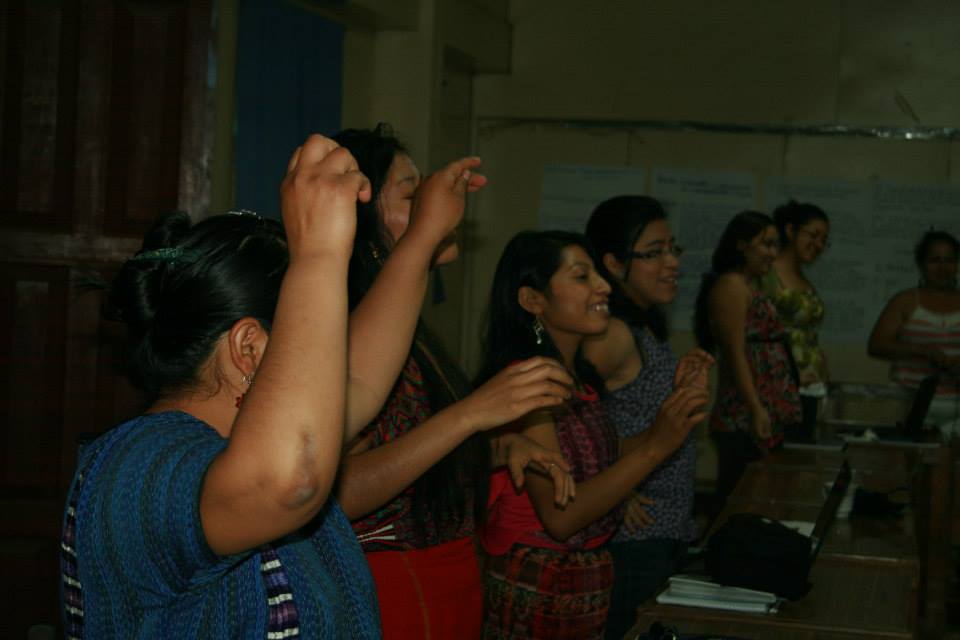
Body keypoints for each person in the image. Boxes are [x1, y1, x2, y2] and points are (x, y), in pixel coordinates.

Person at [60, 135, 382, 638]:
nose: (326, 362)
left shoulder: (246, 443)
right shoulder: (135, 464)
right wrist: (317, 256)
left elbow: (364, 377)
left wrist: (421, 241)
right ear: (250, 348)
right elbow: (287, 481)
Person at [332, 125, 577, 639]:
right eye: (412, 196)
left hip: (445, 581)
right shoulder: (349, 329)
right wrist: (471, 415)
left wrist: (495, 448)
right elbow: (338, 490)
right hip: (390, 591)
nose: (436, 207)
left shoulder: (411, 333)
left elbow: (412, 450)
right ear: (362, 221)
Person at [477, 230, 711, 640]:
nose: (604, 286)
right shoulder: (526, 384)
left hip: (581, 583)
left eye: (598, 275)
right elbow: (561, 517)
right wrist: (657, 446)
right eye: (582, 277)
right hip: (540, 586)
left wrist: (672, 417)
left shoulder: (576, 376)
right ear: (533, 300)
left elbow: (602, 459)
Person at [583, 196, 714, 640]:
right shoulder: (612, 334)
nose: (672, 262)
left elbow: (629, 412)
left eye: (673, 249)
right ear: (613, 264)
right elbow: (565, 430)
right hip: (633, 543)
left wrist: (678, 390)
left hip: (661, 535)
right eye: (654, 253)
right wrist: (615, 486)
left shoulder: (641, 326)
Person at [694, 211, 801, 503]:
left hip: (765, 408)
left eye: (776, 245)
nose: (773, 253)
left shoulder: (751, 285)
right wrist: (755, 407)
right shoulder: (731, 285)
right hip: (742, 415)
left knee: (762, 496)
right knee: (738, 498)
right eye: (766, 244)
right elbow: (735, 352)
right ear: (741, 245)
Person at [868, 229, 960, 433]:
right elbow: (876, 345)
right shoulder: (905, 301)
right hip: (909, 403)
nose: (943, 268)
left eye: (950, 261)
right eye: (935, 260)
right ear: (921, 264)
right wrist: (921, 351)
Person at [762, 200, 831, 441]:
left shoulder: (803, 277)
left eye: (824, 240)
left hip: (810, 387)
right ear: (790, 231)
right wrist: (788, 376)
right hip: (779, 387)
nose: (818, 244)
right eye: (813, 235)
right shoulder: (767, 273)